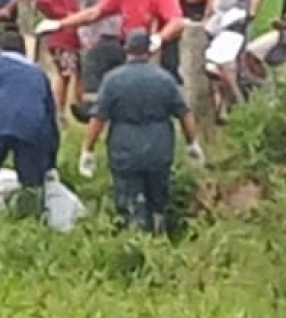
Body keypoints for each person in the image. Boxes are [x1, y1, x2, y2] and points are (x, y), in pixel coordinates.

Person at [78, 30, 205, 234]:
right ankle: (159, 232)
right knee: (158, 198)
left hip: (125, 149)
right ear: (149, 51)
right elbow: (184, 114)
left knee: (128, 198)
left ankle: (135, 237)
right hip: (159, 148)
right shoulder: (165, 79)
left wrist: (88, 150)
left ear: (127, 50)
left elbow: (98, 119)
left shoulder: (113, 80)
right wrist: (192, 143)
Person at [35, 0, 186, 119]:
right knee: (98, 54)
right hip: (126, 43)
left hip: (150, 45)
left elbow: (176, 22)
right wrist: (61, 23)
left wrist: (159, 37)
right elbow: (94, 13)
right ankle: (92, 103)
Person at [0, 31, 60, 213]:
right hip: (33, 127)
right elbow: (51, 118)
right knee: (31, 187)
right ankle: (30, 223)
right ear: (24, 52)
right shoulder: (38, 73)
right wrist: (51, 162)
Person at [34, 0, 83, 113]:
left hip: (78, 37)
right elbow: (40, 0)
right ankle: (57, 111)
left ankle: (79, 109)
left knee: (79, 74)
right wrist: (60, 14)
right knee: (65, 74)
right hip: (62, 37)